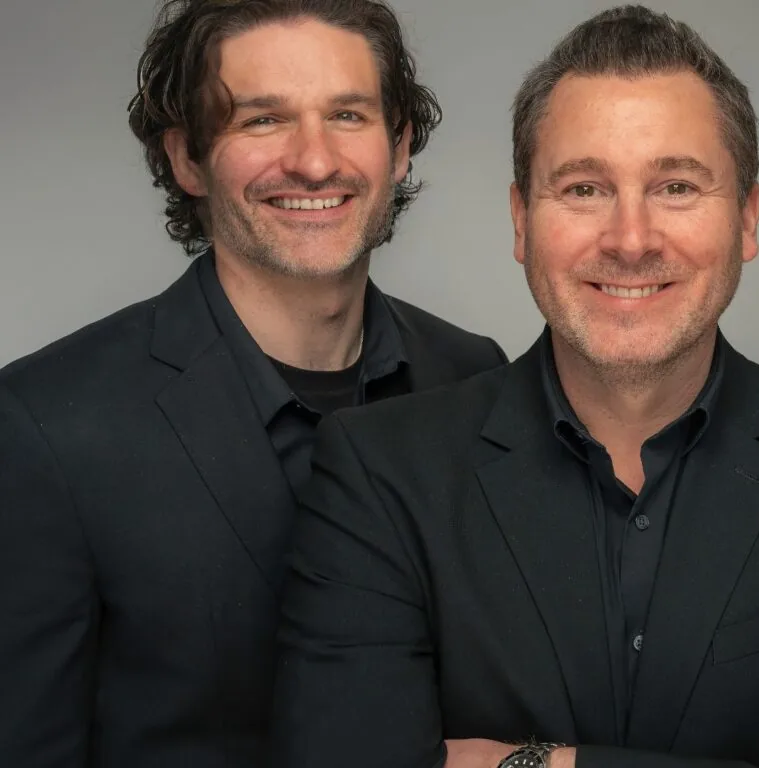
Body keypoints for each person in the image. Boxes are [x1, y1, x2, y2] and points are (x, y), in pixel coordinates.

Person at [270, 6, 759, 768]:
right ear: (521, 221)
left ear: (747, 216)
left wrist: (532, 763)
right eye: (583, 189)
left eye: (677, 186)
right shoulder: (378, 474)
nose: (631, 239)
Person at [0, 1, 505, 765]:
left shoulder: (475, 378)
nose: (313, 160)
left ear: (399, 146)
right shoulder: (43, 427)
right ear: (187, 158)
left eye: (348, 114)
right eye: (263, 120)